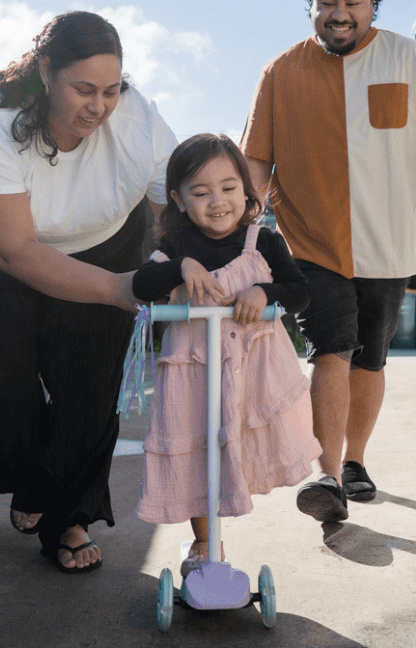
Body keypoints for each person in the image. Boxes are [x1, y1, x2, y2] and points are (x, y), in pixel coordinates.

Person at [241, 0, 416, 523]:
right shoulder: (280, 72)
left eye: (354, 0)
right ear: (311, 6)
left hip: (391, 241)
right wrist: (241, 231)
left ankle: (355, 461)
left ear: (374, 4)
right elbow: (256, 161)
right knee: (332, 349)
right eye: (327, 2)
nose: (340, 12)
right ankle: (325, 475)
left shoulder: (411, 60)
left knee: (370, 359)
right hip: (312, 242)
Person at [0, 11, 179, 573]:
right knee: (8, 382)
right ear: (46, 72)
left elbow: (181, 201)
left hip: (105, 240)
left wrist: (179, 260)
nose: (99, 106)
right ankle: (31, 483)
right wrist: (121, 290)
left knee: (89, 389)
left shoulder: (138, 118)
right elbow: (13, 251)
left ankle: (69, 518)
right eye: (83, 89)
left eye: (111, 90)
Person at [131, 133, 321, 571]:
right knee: (196, 450)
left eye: (228, 188)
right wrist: (181, 267)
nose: (217, 201)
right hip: (193, 372)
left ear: (245, 189)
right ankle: (206, 543)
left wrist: (263, 290)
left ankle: (215, 538)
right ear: (179, 200)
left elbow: (300, 294)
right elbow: (143, 287)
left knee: (237, 447)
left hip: (251, 370)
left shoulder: (264, 241)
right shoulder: (178, 248)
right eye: (201, 193)